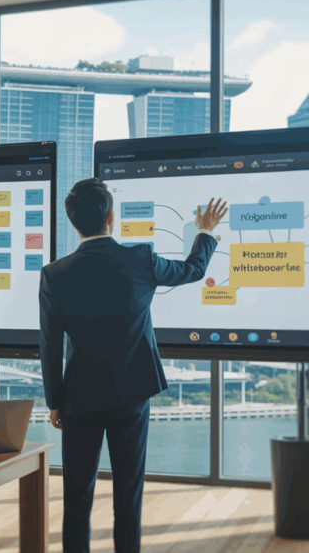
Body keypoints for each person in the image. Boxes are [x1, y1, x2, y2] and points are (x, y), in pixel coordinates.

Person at [39, 178, 227, 553]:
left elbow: (50, 343)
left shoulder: (54, 273)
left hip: (78, 398)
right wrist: (205, 232)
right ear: (111, 218)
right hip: (132, 394)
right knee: (129, 493)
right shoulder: (140, 258)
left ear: (74, 223)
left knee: (77, 495)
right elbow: (192, 270)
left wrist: (54, 401)